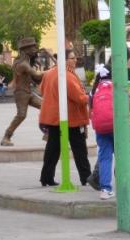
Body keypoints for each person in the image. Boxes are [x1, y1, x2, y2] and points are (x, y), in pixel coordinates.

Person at [87, 60, 130, 192]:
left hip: (100, 129)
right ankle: (125, 180)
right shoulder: (117, 87)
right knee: (123, 152)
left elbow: (89, 111)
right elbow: (124, 110)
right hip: (118, 126)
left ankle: (105, 187)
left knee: (105, 157)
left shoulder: (95, 90)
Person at [38, 52, 91, 187]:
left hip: (52, 117)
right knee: (79, 149)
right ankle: (86, 177)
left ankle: (46, 177)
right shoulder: (67, 75)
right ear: (65, 60)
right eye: (73, 58)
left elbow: (41, 90)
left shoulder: (49, 73)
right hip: (71, 118)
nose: (76, 60)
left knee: (52, 149)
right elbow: (79, 98)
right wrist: (90, 98)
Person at [0, 38, 44, 146]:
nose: (35, 50)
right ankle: (6, 137)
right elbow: (37, 75)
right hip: (21, 93)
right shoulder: (23, 64)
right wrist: (53, 70)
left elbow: (36, 78)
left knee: (45, 106)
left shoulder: (26, 62)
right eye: (32, 48)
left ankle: (48, 132)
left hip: (28, 92)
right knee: (21, 115)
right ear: (26, 50)